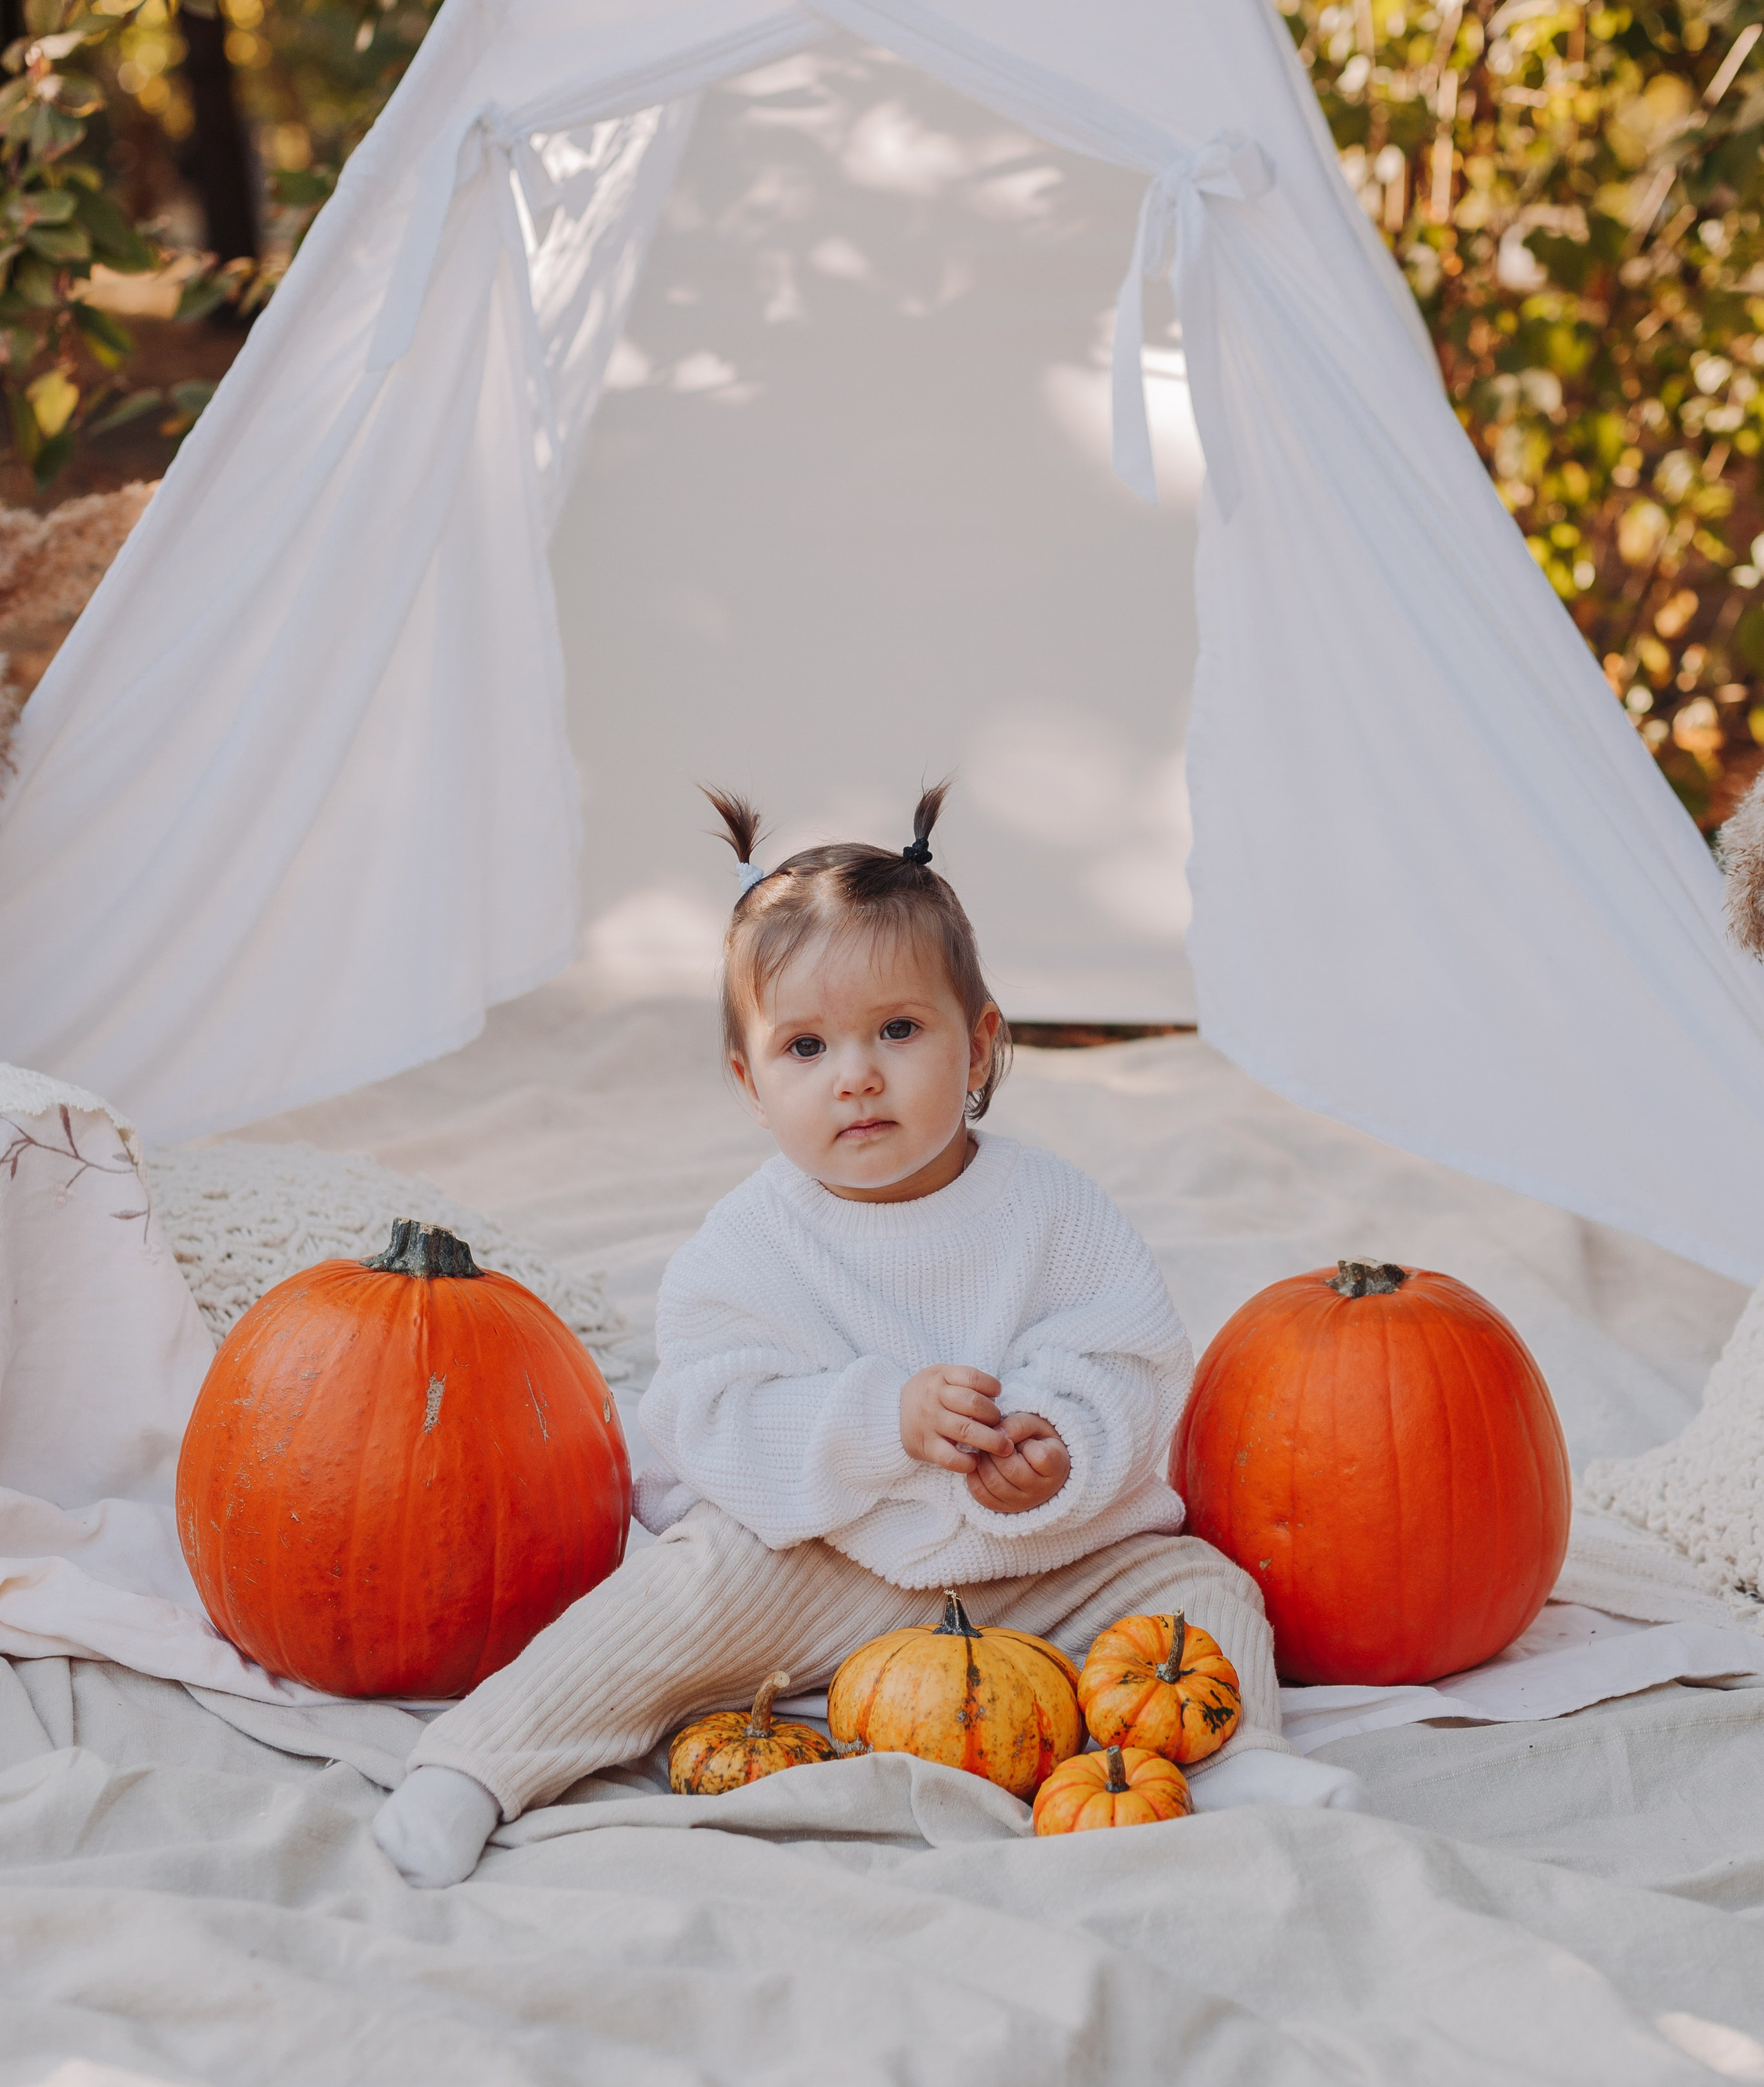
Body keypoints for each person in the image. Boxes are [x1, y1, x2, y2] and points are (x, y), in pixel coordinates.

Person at [374, 785, 1362, 1886]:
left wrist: (1062, 1445)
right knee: (670, 1598)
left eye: (899, 1029)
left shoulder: (1054, 1211)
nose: (856, 1075)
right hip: (823, 1557)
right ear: (751, 1085)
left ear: (980, 1046)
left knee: (1202, 1585)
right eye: (806, 1047)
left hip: (1045, 1562)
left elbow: (1126, 1356)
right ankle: (477, 1768)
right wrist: (879, 1420)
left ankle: (1226, 1757)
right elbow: (712, 1407)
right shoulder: (749, 1243)